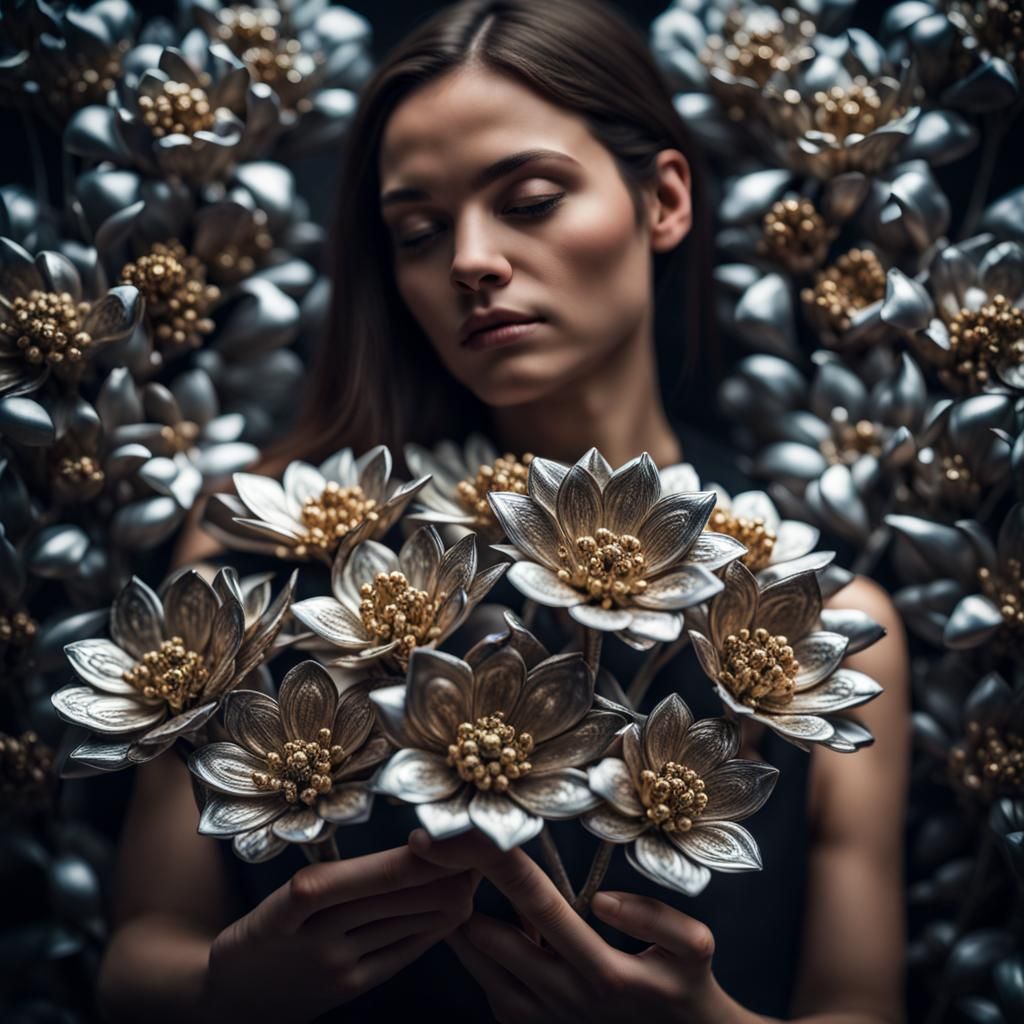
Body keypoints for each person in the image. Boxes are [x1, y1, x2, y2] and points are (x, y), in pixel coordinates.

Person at [97, 1, 910, 1022]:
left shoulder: (826, 630)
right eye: (418, 231)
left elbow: (862, 1005)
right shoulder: (257, 558)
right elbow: (134, 963)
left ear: (663, 199)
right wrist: (230, 987)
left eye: (527, 199)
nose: (470, 259)